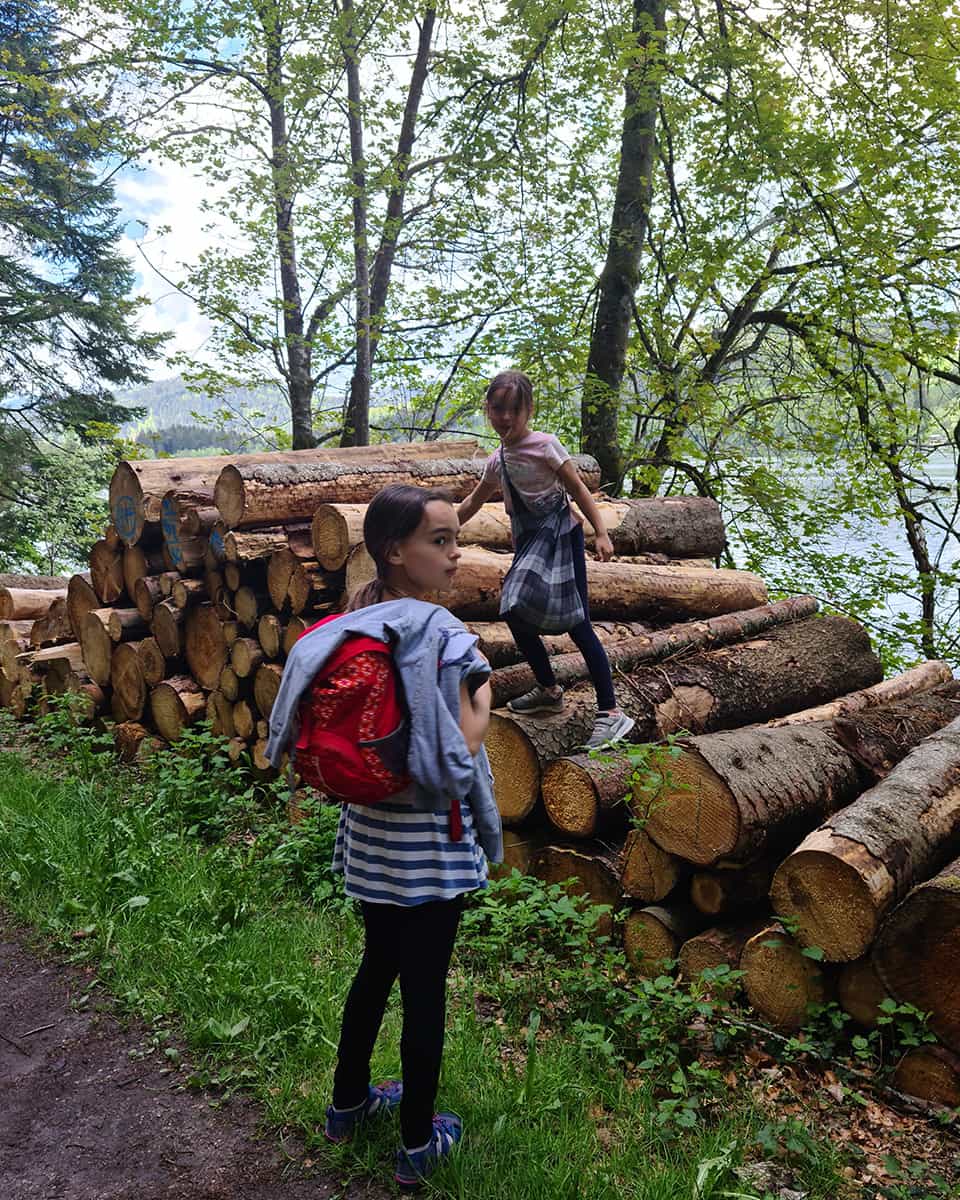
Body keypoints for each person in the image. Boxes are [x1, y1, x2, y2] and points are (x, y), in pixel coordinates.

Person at [265, 484, 500, 1192]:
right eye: (440, 541)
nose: (456, 555)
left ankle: (346, 1105)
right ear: (396, 551)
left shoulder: (355, 623)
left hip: (369, 840)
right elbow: (453, 759)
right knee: (426, 991)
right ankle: (417, 1144)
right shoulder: (446, 637)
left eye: (457, 539)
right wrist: (485, 702)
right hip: (430, 848)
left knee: (376, 970)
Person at [457, 370, 635, 749]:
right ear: (487, 409)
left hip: (561, 537)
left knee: (577, 622)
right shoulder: (498, 461)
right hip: (529, 542)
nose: (506, 418)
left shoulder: (545, 446)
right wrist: (442, 528)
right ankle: (548, 687)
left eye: (515, 410)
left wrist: (600, 532)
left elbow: (578, 489)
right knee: (513, 609)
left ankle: (611, 712)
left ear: (529, 410)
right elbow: (473, 502)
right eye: (498, 409)